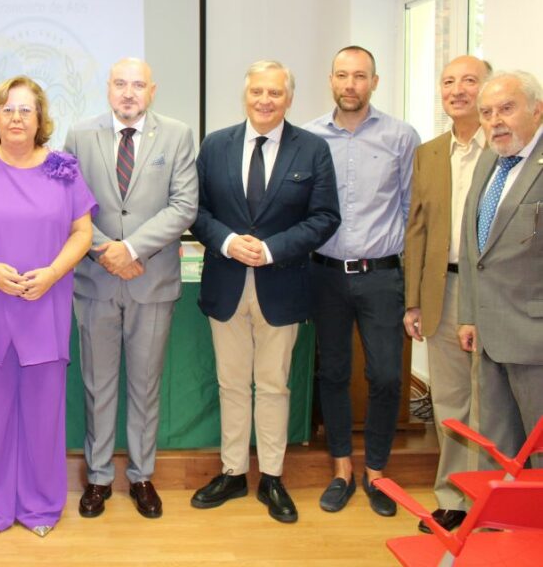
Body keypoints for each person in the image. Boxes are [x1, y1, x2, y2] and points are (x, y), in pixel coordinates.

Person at [0, 75, 95, 537]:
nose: (15, 117)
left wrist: (51, 273)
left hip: (45, 302)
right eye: (7, 109)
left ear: (40, 119)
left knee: (44, 413)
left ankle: (41, 507)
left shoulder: (63, 168)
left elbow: (83, 233)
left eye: (25, 110)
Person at [189, 61, 340, 523]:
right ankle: (233, 472)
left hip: (282, 282)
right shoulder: (216, 145)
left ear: (288, 98)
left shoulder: (312, 149)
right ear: (245, 94)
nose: (265, 100)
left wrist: (272, 249)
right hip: (226, 281)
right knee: (232, 383)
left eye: (275, 92)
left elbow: (325, 217)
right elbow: (195, 210)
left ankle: (271, 477)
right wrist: (231, 242)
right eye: (257, 91)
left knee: (274, 385)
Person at [63, 57, 197, 519]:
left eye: (137, 85)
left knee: (145, 385)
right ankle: (98, 479)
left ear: (152, 90)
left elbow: (184, 206)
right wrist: (106, 251)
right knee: (98, 386)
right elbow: (69, 204)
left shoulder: (178, 134)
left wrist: (132, 249)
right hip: (96, 281)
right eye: (120, 84)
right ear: (107, 88)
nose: (128, 93)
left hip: (151, 281)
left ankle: (141, 476)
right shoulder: (80, 135)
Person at [304, 45, 421, 517]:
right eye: (342, 75)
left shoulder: (402, 136)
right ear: (330, 80)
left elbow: (415, 213)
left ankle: (377, 470)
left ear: (375, 81)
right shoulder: (309, 137)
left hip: (382, 276)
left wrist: (413, 291)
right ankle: (341, 470)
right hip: (325, 275)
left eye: (360, 76)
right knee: (331, 374)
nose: (350, 84)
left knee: (387, 376)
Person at [402, 55, 490, 533]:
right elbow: (416, 229)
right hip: (444, 289)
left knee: (494, 400)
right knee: (451, 402)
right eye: (449, 82)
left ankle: (495, 498)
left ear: (489, 89)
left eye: (470, 81)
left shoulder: (505, 148)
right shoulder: (431, 152)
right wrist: (413, 300)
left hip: (495, 295)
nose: (457, 90)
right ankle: (454, 496)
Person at [457, 71, 543, 467]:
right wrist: (469, 316)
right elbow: (477, 248)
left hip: (535, 338)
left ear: (537, 110)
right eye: (487, 112)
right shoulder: (490, 159)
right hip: (490, 337)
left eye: (507, 109)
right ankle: (504, 528)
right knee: (499, 450)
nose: (495, 121)